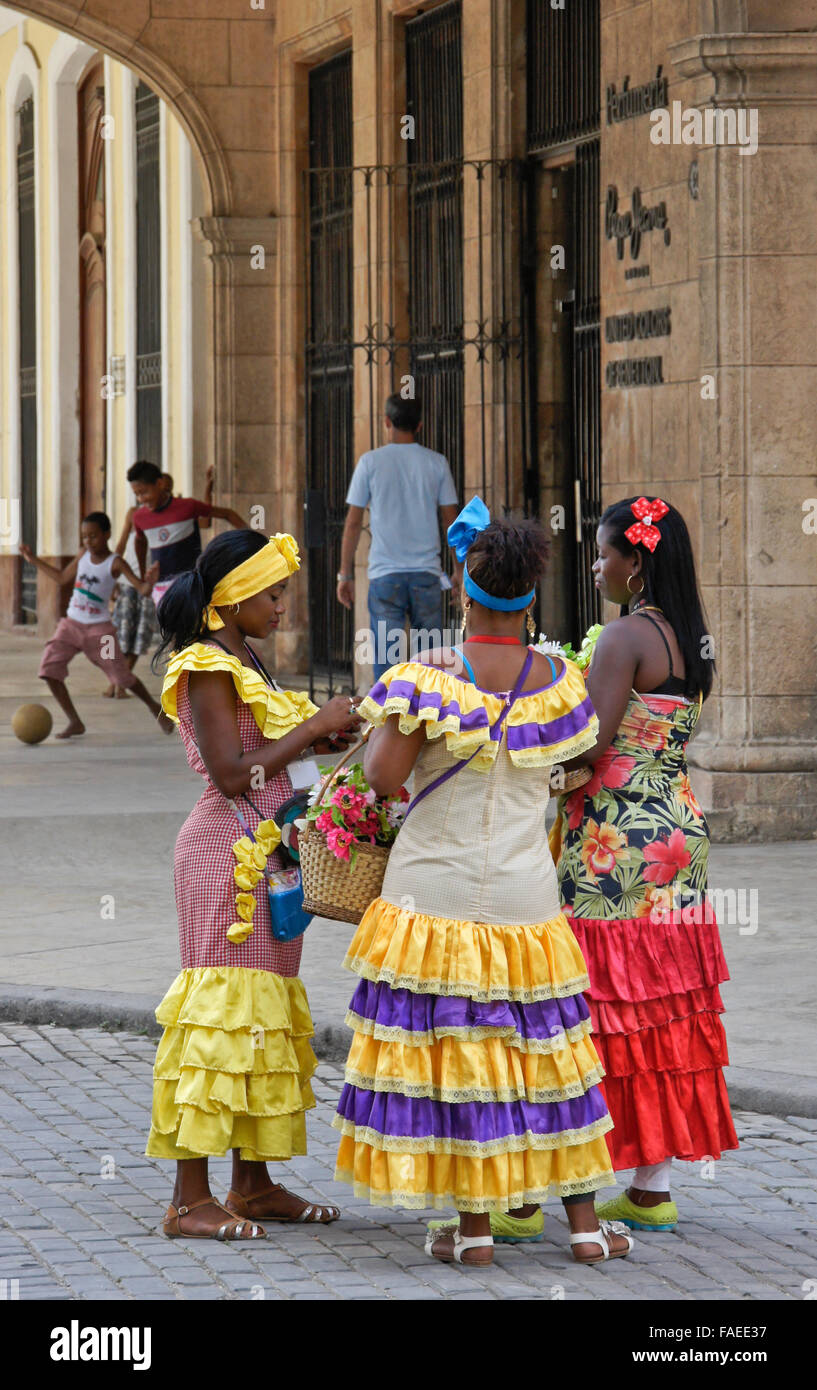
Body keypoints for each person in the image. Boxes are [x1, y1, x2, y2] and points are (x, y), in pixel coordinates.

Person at [332, 498, 634, 1268]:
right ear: (528, 598)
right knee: (550, 1049)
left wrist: (395, 720)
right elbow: (568, 770)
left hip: (428, 892)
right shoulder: (561, 686)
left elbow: (381, 781)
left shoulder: (422, 682)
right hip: (524, 896)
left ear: (464, 590)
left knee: (458, 1049)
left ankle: (471, 1230)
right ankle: (586, 1227)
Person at [146, 528, 362, 1240]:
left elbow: (269, 754)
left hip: (268, 858)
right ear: (233, 599)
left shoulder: (249, 661)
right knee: (216, 1020)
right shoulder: (206, 665)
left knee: (262, 1019)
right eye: (270, 595)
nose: (279, 607)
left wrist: (332, 734)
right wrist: (314, 728)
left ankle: (252, 1184)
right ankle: (186, 1199)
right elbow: (233, 774)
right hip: (221, 856)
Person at [549, 496, 738, 1232]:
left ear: (637, 562)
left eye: (603, 555)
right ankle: (651, 1185)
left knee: (599, 1000)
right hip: (676, 828)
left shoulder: (623, 636)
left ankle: (579, 1177)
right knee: (663, 999)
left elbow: (590, 744)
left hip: (613, 837)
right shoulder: (693, 636)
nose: (597, 566)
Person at [337, 393, 460, 679]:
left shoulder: (370, 463)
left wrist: (345, 574)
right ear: (419, 426)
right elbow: (450, 520)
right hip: (426, 575)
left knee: (387, 663)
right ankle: (429, 718)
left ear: (386, 422)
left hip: (385, 576)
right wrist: (458, 570)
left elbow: (353, 523)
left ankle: (387, 719)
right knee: (430, 663)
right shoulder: (437, 463)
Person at [20, 514, 171, 739]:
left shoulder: (115, 563)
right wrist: (33, 560)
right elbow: (62, 578)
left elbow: (142, 589)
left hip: (101, 632)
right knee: (49, 671)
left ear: (106, 535)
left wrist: (150, 582)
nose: (89, 542)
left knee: (121, 677)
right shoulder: (83, 556)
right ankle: (74, 721)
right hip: (70, 626)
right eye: (84, 537)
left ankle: (154, 707)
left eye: (93, 536)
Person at [106, 468, 216, 698]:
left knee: (142, 635)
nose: (144, 498)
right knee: (123, 634)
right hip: (132, 581)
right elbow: (123, 542)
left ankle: (129, 681)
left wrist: (208, 489)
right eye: (140, 493)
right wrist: (111, 576)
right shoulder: (135, 514)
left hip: (155, 585)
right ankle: (117, 681)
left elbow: (205, 522)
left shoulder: (179, 515)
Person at [127, 459, 246, 612]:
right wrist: (144, 576)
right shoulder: (139, 517)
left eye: (144, 492)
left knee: (196, 628)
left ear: (160, 483)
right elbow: (140, 542)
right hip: (162, 588)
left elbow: (226, 514)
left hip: (192, 582)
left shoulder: (187, 507)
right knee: (173, 632)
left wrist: (250, 537)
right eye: (137, 494)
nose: (141, 499)